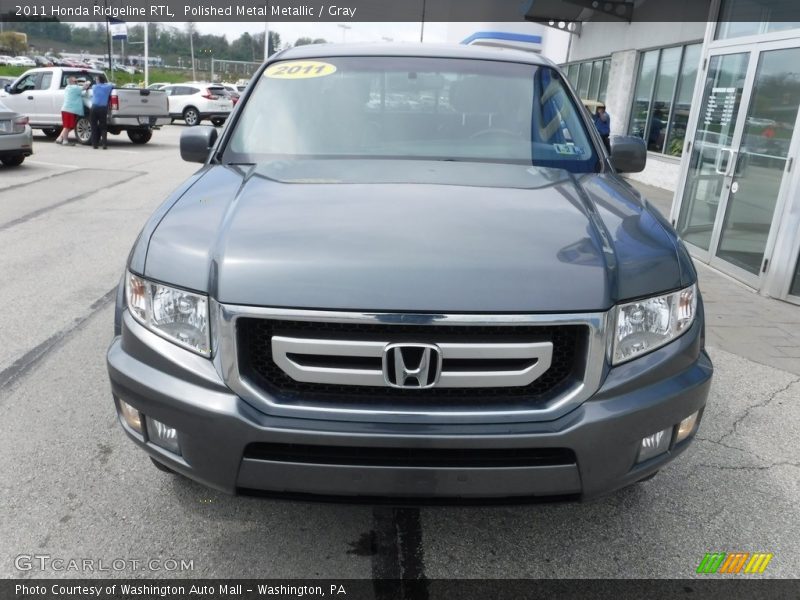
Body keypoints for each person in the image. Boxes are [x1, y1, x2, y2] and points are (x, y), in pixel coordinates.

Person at [88, 73, 114, 149]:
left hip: (94, 107)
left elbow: (91, 85)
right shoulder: (108, 87)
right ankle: (104, 144)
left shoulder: (94, 87)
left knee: (94, 126)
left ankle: (95, 144)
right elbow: (112, 84)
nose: (95, 81)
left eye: (96, 79)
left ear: (98, 80)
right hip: (103, 108)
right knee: (103, 126)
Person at [55, 76, 84, 146]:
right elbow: (85, 87)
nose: (77, 82)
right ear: (72, 82)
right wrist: (87, 83)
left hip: (65, 109)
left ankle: (60, 138)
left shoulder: (68, 87)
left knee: (67, 126)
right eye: (75, 81)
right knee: (67, 126)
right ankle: (65, 141)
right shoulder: (75, 88)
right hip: (69, 110)